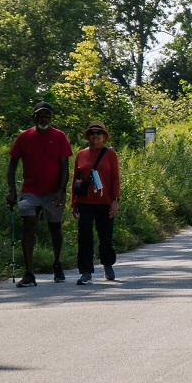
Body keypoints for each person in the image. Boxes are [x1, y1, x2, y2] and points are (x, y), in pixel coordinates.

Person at [6, 101, 73, 287]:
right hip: (30, 192)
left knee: (55, 227)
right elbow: (12, 166)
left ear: (51, 118)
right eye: (39, 115)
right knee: (29, 225)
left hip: (53, 192)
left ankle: (57, 263)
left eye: (46, 115)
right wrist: (12, 191)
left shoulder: (59, 137)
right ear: (33, 117)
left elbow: (64, 167)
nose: (43, 118)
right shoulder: (24, 137)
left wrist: (61, 190)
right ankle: (29, 273)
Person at [71, 121, 120, 285]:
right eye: (92, 132)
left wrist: (115, 200)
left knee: (105, 236)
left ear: (104, 137)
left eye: (99, 132)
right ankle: (85, 272)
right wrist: (73, 202)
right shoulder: (80, 155)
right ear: (88, 136)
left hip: (105, 201)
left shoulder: (110, 154)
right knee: (84, 236)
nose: (95, 135)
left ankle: (107, 264)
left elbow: (115, 179)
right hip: (85, 202)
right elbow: (75, 181)